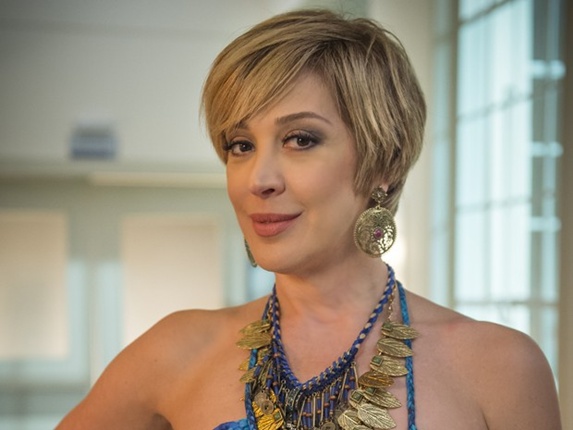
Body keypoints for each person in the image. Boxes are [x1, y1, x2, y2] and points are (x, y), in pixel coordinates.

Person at [57, 9, 562, 430]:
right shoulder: (175, 351)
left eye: (300, 139)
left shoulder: (499, 367)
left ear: (384, 163)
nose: (259, 179)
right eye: (240, 145)